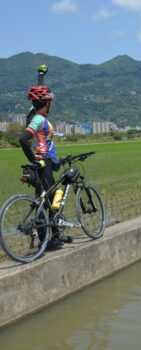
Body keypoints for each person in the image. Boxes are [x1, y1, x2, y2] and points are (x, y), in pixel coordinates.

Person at [19, 85, 65, 250]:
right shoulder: (38, 119)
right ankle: (49, 240)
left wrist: (40, 77)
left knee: (46, 199)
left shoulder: (40, 117)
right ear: (46, 103)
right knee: (49, 200)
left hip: (46, 162)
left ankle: (53, 237)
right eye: (49, 101)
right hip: (43, 163)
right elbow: (24, 139)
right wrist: (35, 159)